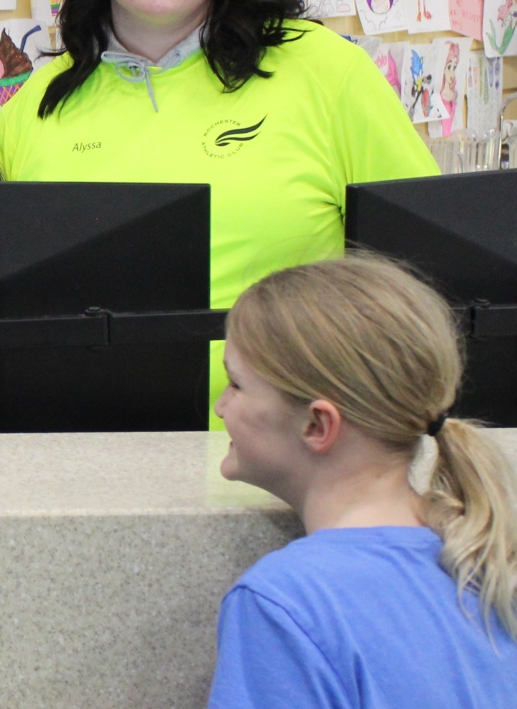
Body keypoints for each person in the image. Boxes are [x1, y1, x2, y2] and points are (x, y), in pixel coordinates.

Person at [0, 0, 437, 411]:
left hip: (288, 464)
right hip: (80, 451)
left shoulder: (326, 72)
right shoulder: (36, 103)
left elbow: (422, 275)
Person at [210, 257, 517, 707]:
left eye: (236, 384)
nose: (220, 406)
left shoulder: (285, 602)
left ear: (317, 425)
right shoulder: (485, 558)